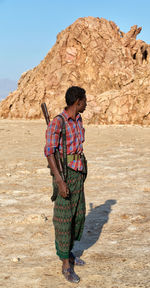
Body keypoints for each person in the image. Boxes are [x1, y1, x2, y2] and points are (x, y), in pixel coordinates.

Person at [44, 86, 87, 283]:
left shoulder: (78, 120)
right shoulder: (57, 122)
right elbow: (50, 152)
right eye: (84, 100)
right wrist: (60, 181)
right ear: (77, 101)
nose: (86, 104)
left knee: (77, 216)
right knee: (63, 219)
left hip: (77, 173)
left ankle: (69, 253)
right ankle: (65, 265)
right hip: (64, 174)